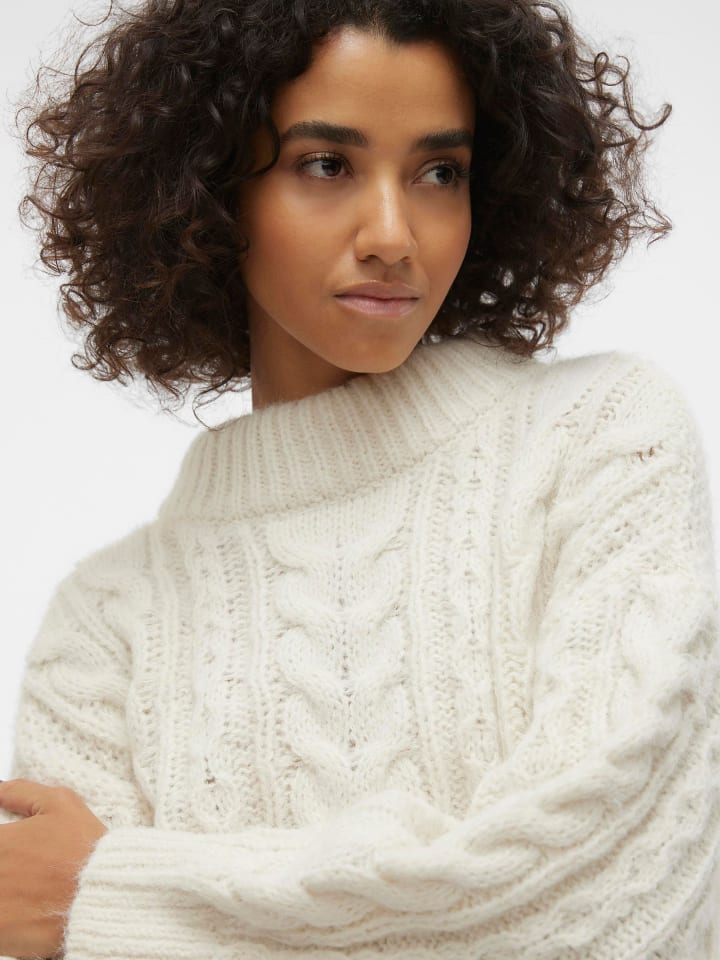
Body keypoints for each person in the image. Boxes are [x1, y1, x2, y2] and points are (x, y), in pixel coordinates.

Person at [1, 0, 718, 957]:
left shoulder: (601, 439)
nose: (392, 232)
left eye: (439, 172)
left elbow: (613, 910)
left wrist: (115, 903)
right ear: (207, 193)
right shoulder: (105, 627)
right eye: (327, 164)